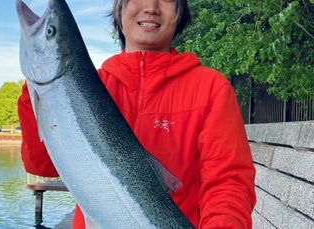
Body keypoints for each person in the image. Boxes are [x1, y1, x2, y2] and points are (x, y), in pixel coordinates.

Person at [18, 0, 256, 228]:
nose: (151, 7)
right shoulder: (93, 84)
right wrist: (36, 94)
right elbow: (42, 165)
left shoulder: (211, 88)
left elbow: (228, 183)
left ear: (181, 12)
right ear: (119, 7)